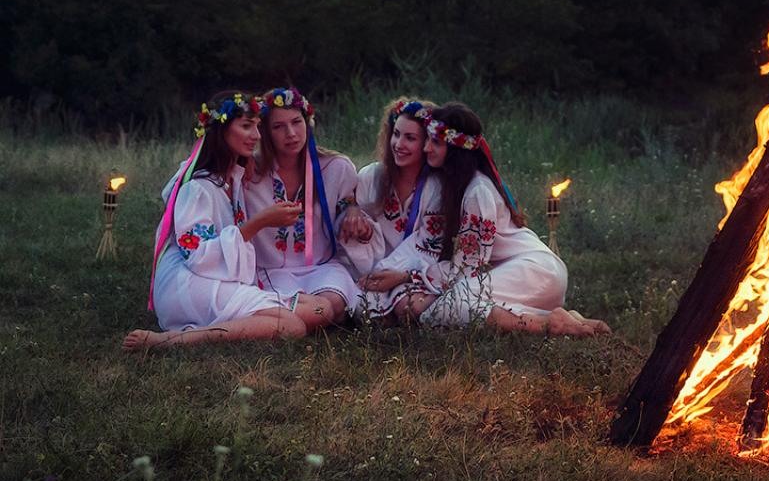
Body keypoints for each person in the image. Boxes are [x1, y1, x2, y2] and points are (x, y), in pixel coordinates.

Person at [366, 101, 610, 337]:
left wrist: (408, 277)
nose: (427, 148)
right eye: (428, 140)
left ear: (456, 149)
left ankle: (550, 324)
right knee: (441, 308)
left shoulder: (477, 192)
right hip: (507, 272)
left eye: (436, 142)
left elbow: (467, 268)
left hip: (534, 272)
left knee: (445, 310)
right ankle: (562, 318)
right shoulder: (453, 187)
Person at [122, 92, 313, 351]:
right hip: (185, 282)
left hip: (211, 278)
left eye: (257, 126)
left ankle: (211, 327)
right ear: (221, 131)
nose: (257, 135)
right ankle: (168, 341)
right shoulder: (198, 187)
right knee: (293, 326)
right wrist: (260, 222)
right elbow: (198, 255)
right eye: (246, 126)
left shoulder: (230, 178)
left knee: (306, 312)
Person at [243, 87, 367, 330]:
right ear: (265, 132)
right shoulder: (250, 173)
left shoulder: (336, 167)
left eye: (296, 122)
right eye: (278, 127)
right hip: (271, 271)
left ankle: (289, 321)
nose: (291, 133)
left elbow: (351, 201)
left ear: (308, 123)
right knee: (322, 311)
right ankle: (297, 320)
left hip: (322, 268)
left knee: (332, 304)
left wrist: (354, 208)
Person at [352, 97, 436, 322]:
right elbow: (350, 212)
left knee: (408, 308)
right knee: (362, 310)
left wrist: (402, 276)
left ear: (428, 143)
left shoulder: (437, 187)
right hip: (375, 271)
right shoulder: (372, 176)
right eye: (396, 134)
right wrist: (353, 215)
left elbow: (435, 248)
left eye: (410, 138)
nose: (399, 144)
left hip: (413, 274)